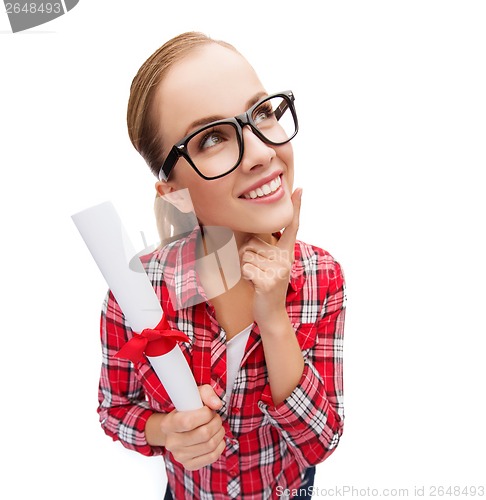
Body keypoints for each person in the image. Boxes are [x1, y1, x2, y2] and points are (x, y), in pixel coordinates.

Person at [98, 31, 346, 499]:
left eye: (263, 113)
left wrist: (273, 317)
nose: (260, 152)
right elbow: (115, 410)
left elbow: (321, 443)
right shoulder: (137, 292)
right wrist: (166, 430)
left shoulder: (321, 277)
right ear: (173, 192)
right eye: (212, 138)